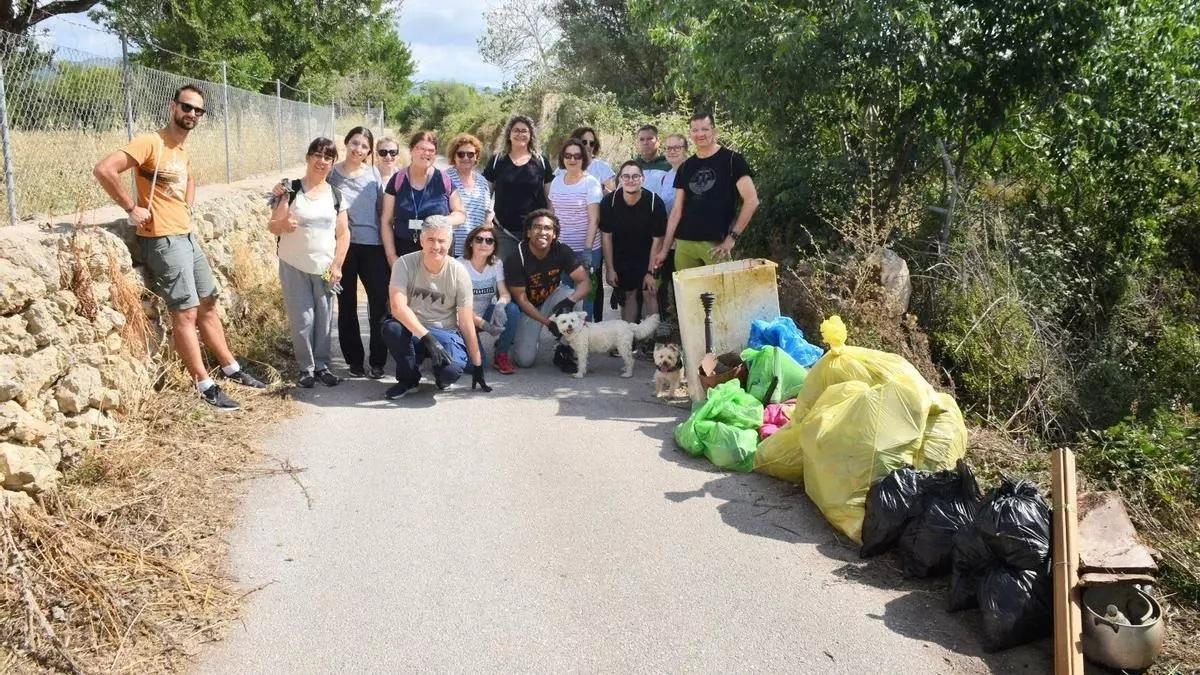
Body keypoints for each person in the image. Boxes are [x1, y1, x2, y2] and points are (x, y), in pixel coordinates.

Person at [92, 85, 265, 410]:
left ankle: (231, 368)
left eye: (199, 111)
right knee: (184, 312)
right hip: (162, 240)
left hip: (185, 235)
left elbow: (190, 180)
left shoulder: (181, 150)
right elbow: (104, 169)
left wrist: (187, 206)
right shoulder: (150, 142)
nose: (193, 115)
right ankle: (204, 383)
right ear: (174, 107)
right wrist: (132, 207)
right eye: (187, 107)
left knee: (209, 303)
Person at [267, 138, 351, 388]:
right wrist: (283, 225)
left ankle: (323, 366)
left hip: (325, 267)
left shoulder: (336, 195)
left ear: (333, 163)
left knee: (324, 319)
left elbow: (344, 233)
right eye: (317, 155)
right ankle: (306, 368)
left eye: (328, 157)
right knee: (302, 319)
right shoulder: (291, 189)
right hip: (294, 265)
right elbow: (273, 226)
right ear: (308, 157)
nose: (321, 161)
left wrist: (337, 265)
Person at [381, 215, 490, 399]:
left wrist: (478, 366)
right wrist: (427, 338)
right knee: (391, 328)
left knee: (451, 371)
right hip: (413, 328)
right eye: (430, 239)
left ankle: (441, 376)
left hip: (445, 330)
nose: (436, 246)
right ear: (422, 240)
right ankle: (409, 380)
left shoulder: (459, 272)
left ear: (450, 242)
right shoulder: (404, 264)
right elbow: (397, 307)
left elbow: (465, 321)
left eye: (441, 240)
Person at [653, 112, 760, 273]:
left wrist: (732, 239)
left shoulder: (732, 160)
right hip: (684, 243)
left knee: (721, 295)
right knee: (688, 297)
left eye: (705, 129)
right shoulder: (686, 167)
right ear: (690, 133)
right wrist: (664, 250)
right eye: (695, 130)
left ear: (714, 131)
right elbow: (676, 211)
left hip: (716, 244)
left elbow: (752, 201)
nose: (700, 134)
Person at [327, 126, 388, 379]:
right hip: (344, 247)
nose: (358, 149)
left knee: (379, 305)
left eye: (364, 146)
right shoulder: (332, 174)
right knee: (347, 304)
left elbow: (383, 210)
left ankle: (377, 361)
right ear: (346, 143)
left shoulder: (374, 174)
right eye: (354, 143)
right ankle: (354, 360)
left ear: (369, 151)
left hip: (373, 246)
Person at [504, 209, 592, 368]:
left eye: (547, 228)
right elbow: (522, 300)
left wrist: (569, 301)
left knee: (572, 294)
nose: (542, 232)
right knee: (525, 361)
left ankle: (565, 348)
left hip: (552, 299)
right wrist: (548, 323)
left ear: (555, 234)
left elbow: (585, 282)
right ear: (529, 232)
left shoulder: (562, 250)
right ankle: (512, 337)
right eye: (537, 227)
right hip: (527, 309)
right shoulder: (516, 257)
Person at [381, 130, 466, 266]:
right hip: (404, 254)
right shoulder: (397, 180)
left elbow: (460, 214)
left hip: (437, 254)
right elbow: (386, 221)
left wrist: (440, 221)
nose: (426, 153)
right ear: (411, 150)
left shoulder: (444, 180)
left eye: (431, 150)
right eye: (421, 148)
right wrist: (392, 256)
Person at [600, 161, 667, 323]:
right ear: (620, 179)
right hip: (622, 256)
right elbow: (606, 237)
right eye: (626, 176)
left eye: (635, 176)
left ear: (642, 179)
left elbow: (658, 240)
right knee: (629, 295)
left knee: (649, 291)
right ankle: (629, 341)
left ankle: (651, 340)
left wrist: (651, 272)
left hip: (648, 254)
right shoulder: (610, 202)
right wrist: (610, 269)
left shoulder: (654, 202)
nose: (631, 180)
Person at [483, 115, 555, 263]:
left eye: (524, 131)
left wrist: (550, 226)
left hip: (535, 232)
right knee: (507, 276)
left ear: (531, 135)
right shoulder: (497, 161)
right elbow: (485, 195)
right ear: (509, 134)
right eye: (516, 130)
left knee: (534, 276)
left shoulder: (541, 162)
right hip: (504, 231)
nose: (520, 134)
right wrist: (486, 221)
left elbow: (550, 199)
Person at [546, 137, 604, 320]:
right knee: (566, 293)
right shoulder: (556, 182)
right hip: (562, 249)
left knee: (587, 296)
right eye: (568, 155)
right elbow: (552, 215)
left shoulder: (591, 183)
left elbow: (594, 219)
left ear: (583, 159)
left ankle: (587, 335)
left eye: (577, 156)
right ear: (563, 157)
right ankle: (566, 340)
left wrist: (587, 251)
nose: (572, 160)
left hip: (588, 249)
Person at [458, 225, 519, 374]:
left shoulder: (496, 264)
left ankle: (501, 354)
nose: (484, 244)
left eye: (489, 241)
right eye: (479, 239)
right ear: (471, 243)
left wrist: (499, 305)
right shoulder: (459, 265)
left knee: (512, 309)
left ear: (494, 246)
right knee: (477, 366)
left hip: (484, 314)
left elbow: (504, 293)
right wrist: (484, 325)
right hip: (462, 320)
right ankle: (447, 352)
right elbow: (457, 308)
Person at [653, 133, 689, 321]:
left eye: (677, 147)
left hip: (686, 239)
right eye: (668, 148)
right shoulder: (666, 178)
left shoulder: (692, 173)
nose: (672, 151)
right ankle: (666, 323)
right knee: (663, 282)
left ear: (685, 150)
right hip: (667, 240)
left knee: (683, 287)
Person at [445, 133, 494, 258]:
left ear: (476, 156)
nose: (466, 157)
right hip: (451, 248)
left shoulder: (482, 181)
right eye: (461, 154)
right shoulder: (445, 178)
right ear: (453, 156)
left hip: (476, 249)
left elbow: (487, 211)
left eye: (470, 154)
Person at [571, 126, 615, 192]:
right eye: (584, 142)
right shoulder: (565, 167)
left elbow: (616, 190)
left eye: (591, 143)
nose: (588, 146)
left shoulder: (601, 167)